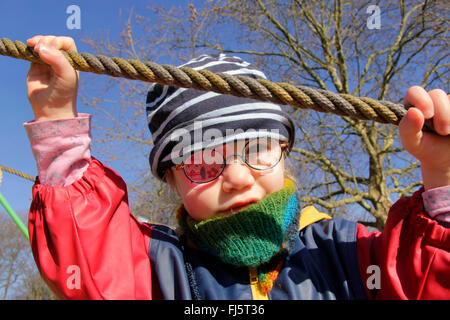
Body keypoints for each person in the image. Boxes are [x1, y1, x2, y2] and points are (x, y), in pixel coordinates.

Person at [23, 35, 449, 300]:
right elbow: (92, 260)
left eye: (258, 149)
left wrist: (443, 175)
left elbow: (424, 280)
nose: (238, 178)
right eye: (203, 162)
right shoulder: (158, 269)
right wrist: (56, 116)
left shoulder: (349, 253)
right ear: (170, 179)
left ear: (285, 149)